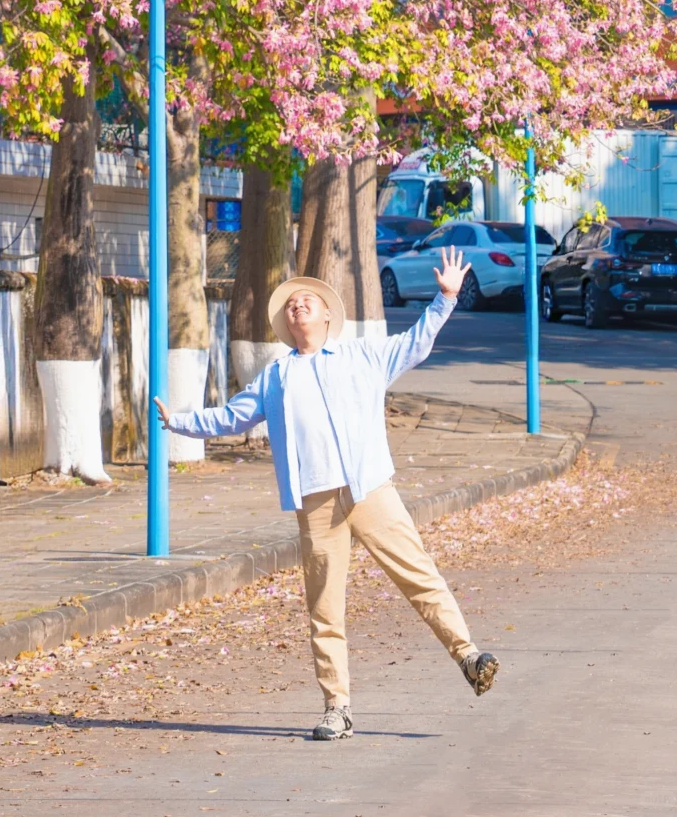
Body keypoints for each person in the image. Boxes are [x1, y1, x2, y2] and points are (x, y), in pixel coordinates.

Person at [154, 246, 499, 741]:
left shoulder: (361, 356)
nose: (298, 306)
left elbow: (415, 343)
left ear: (327, 315)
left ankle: (468, 655)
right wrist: (179, 421)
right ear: (288, 324)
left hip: (370, 490)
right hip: (316, 503)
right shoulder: (275, 376)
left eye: (307, 301)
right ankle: (336, 707)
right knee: (324, 607)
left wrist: (445, 298)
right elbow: (230, 416)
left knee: (419, 575)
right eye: (291, 304)